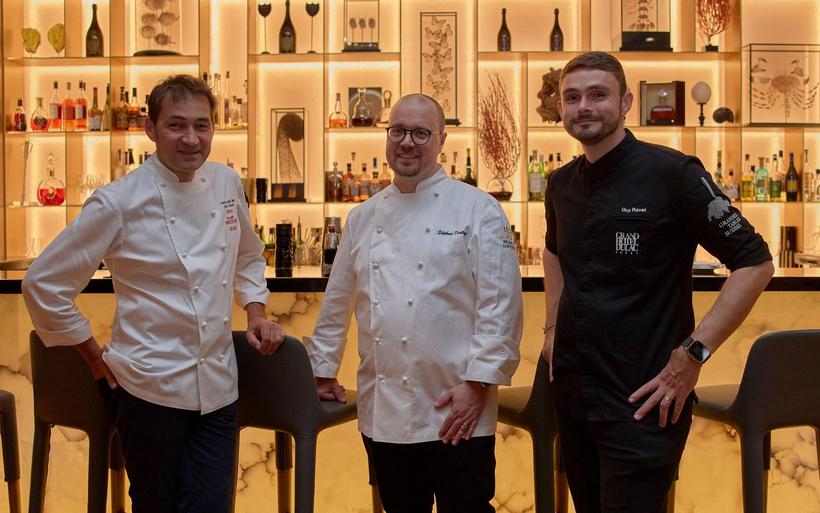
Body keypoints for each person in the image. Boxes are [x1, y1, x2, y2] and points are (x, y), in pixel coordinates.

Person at [22, 74, 284, 513]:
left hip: (218, 387)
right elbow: (43, 283)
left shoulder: (225, 184)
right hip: (149, 388)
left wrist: (256, 313)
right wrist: (92, 355)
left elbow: (248, 258)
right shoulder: (118, 202)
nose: (191, 138)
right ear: (150, 128)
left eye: (202, 126)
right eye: (176, 125)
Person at [542, 52, 774, 513]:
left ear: (626, 101)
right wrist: (551, 331)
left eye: (597, 95)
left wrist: (694, 354)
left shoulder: (672, 173)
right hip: (574, 394)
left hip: (646, 397)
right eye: (572, 98)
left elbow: (755, 262)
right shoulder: (560, 183)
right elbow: (554, 253)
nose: (583, 106)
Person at [304, 93, 523, 513]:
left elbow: (500, 305)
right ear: (387, 137)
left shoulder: (479, 209)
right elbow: (337, 303)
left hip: (459, 404)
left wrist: (478, 383)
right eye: (398, 131)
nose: (408, 142)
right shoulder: (363, 217)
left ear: (442, 139)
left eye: (421, 133)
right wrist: (322, 369)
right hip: (385, 409)